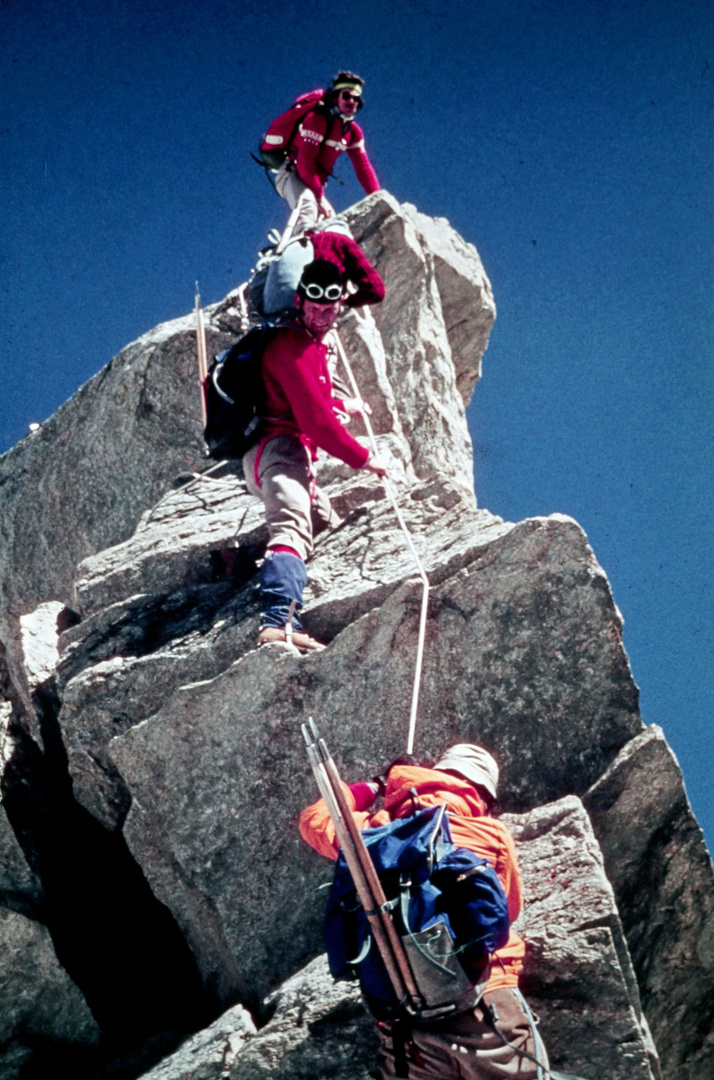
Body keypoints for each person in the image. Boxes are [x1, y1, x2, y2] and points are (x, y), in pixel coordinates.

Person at [299, 744, 551, 1079]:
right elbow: (507, 910)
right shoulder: (490, 833)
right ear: (483, 797)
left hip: (407, 1020)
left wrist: (375, 785)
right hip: (485, 1000)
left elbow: (315, 820)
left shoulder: (377, 829)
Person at [243, 257, 388, 652]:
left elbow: (311, 397)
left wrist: (344, 403)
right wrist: (363, 458)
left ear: (339, 305)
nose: (322, 316)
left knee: (323, 521)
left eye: (330, 309)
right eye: (314, 307)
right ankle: (279, 622)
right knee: (291, 526)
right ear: (299, 302)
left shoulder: (308, 345)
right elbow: (314, 422)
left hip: (288, 456)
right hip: (279, 451)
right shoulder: (290, 344)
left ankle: (248, 564)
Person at [275, 71, 380, 238]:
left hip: (315, 183)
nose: (351, 101)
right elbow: (305, 162)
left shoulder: (353, 132)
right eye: (346, 96)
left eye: (356, 99)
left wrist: (379, 198)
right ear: (336, 96)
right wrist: (320, 198)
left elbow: (363, 168)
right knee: (308, 206)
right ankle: (301, 250)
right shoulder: (316, 119)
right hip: (292, 173)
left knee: (329, 224)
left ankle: (319, 255)